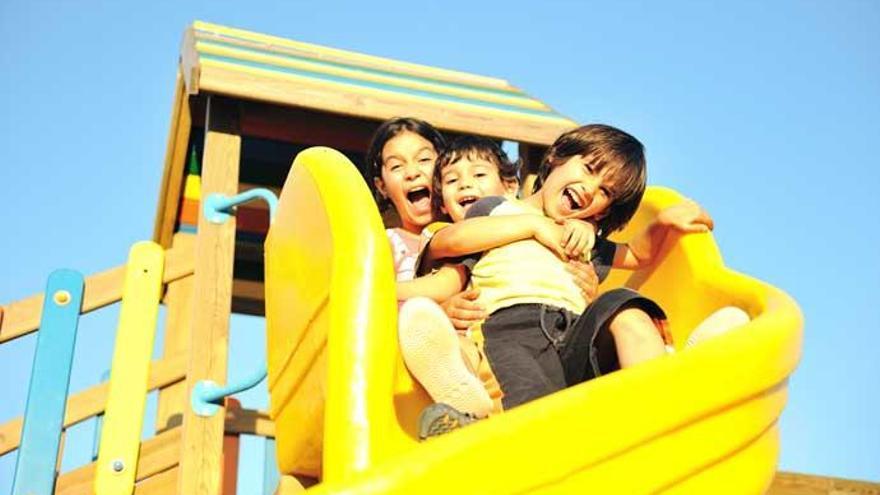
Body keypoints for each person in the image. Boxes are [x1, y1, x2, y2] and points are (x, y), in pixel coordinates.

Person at [413, 124, 715, 414]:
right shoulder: (497, 209)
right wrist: (534, 226)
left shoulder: (581, 235)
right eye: (589, 169)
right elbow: (451, 241)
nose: (589, 189)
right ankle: (464, 399)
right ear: (557, 157)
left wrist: (663, 223)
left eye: (605, 192)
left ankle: (664, 395)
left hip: (575, 333)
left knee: (625, 308)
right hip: (512, 328)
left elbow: (636, 254)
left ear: (603, 210)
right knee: (532, 405)